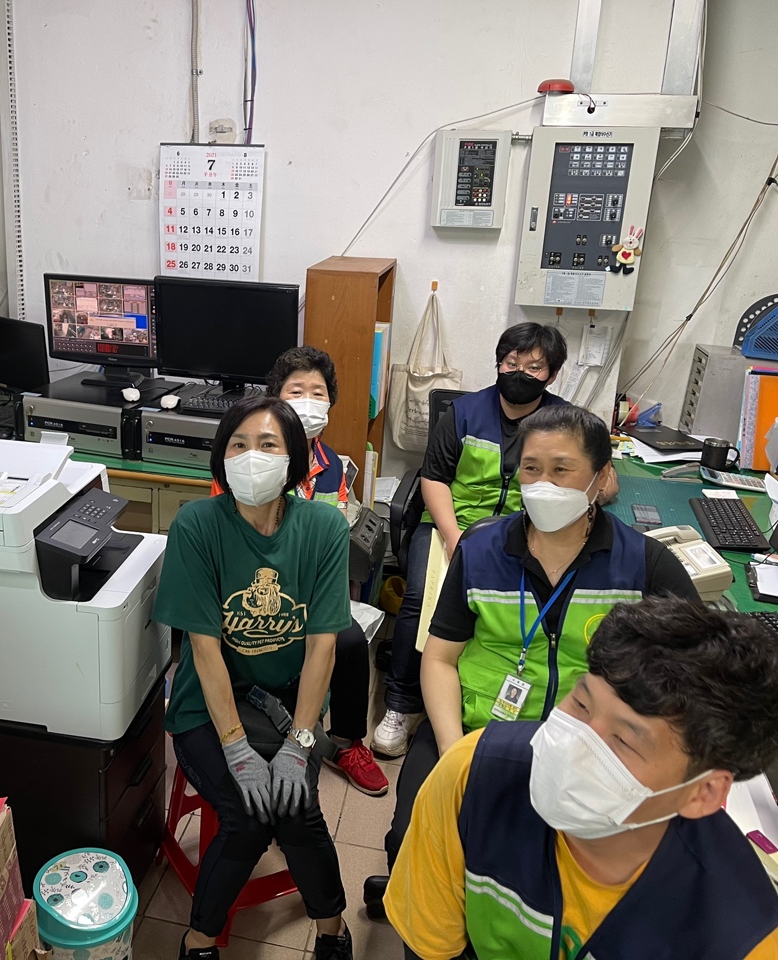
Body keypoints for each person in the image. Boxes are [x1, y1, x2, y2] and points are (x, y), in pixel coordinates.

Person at [368, 404, 697, 906]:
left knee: (567, 870)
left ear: (601, 478)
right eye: (531, 468)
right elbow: (438, 660)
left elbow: (695, 672)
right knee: (415, 839)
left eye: (561, 469)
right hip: (476, 733)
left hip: (587, 752)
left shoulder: (643, 564)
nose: (543, 484)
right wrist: (456, 756)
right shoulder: (481, 552)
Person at [385, 598, 778, 959]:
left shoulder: (740, 937)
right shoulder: (475, 776)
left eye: (623, 740)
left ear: (703, 792)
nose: (577, 745)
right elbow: (430, 948)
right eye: (581, 704)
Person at [156, 395, 355, 960]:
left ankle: (332, 931)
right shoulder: (198, 524)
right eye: (238, 445)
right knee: (247, 816)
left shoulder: (323, 527)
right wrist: (235, 747)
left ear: (294, 460)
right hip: (209, 704)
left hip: (290, 703)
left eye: (268, 445)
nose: (251, 456)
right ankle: (199, 939)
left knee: (294, 805)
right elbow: (203, 649)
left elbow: (322, 647)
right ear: (221, 457)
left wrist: (301, 742)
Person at [375, 323, 609, 757]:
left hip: (524, 533)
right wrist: (453, 537)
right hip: (449, 524)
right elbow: (433, 478)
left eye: (534, 367)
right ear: (499, 363)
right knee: (421, 600)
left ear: (552, 375)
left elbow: (596, 479)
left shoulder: (561, 424)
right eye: (511, 362)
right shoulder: (463, 413)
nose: (520, 372)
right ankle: (401, 704)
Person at [206, 346, 388, 797]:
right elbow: (227, 545)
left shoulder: (333, 467)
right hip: (253, 591)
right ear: (275, 399)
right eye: (296, 391)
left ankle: (346, 742)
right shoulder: (245, 466)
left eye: (317, 392)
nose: (308, 401)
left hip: (312, 593)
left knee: (348, 640)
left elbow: (335, 540)